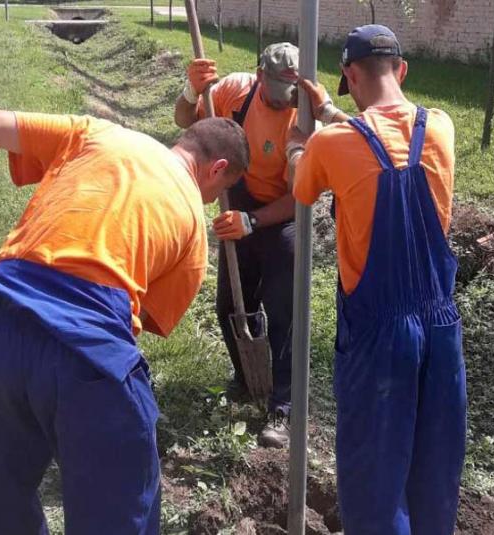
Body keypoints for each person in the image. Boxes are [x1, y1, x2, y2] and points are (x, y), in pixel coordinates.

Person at [0, 110, 249, 535]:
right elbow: (135, 324)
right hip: (88, 349)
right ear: (217, 169)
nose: (211, 201)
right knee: (120, 513)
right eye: (220, 191)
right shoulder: (193, 231)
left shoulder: (97, 134)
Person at [290, 25, 467, 535]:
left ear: (350, 75)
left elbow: (302, 185)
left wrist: (299, 143)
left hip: (379, 337)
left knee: (375, 483)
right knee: (435, 473)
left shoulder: (331, 145)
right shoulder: (441, 127)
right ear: (402, 69)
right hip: (441, 330)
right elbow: (385, 143)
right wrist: (331, 114)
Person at [174, 42, 319, 449]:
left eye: (293, 90)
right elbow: (185, 121)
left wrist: (252, 221)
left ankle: (283, 406)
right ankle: (248, 378)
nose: (286, 99)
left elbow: (301, 197)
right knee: (230, 307)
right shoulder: (234, 92)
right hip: (237, 203)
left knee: (284, 312)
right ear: (259, 76)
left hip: (282, 217)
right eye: (279, 90)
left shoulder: (305, 119)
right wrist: (191, 90)